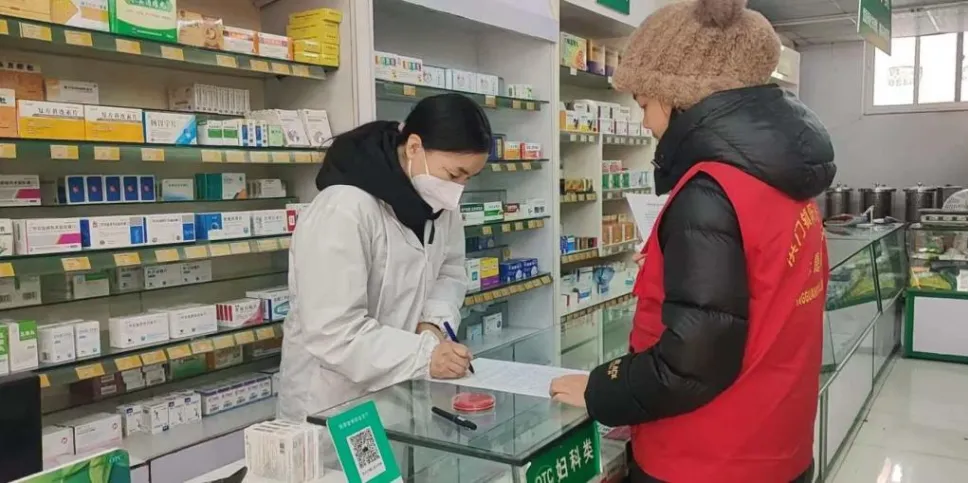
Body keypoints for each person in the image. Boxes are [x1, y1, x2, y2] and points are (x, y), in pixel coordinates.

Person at [549, 0, 836, 481]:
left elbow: (692, 363)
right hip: (777, 444)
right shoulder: (784, 179)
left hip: (703, 457)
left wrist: (602, 390)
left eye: (645, 104)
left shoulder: (710, 191)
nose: (645, 123)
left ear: (679, 96)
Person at [277, 94, 492, 421]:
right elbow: (333, 331)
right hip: (333, 401)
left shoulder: (439, 205)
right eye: (454, 174)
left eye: (469, 178)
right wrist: (424, 355)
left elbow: (449, 272)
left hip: (401, 389)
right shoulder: (344, 209)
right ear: (414, 147)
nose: (458, 190)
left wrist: (432, 324)